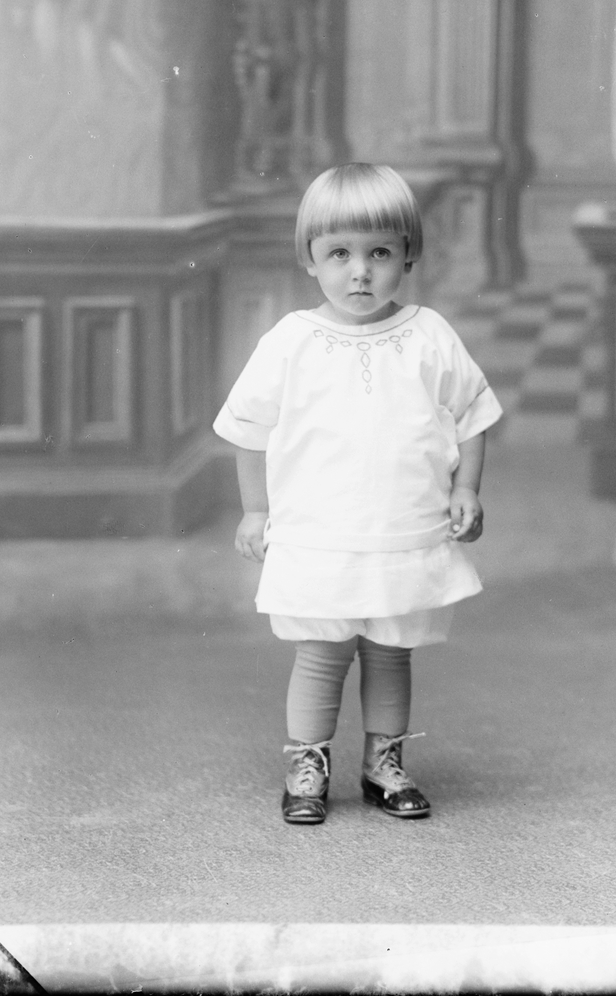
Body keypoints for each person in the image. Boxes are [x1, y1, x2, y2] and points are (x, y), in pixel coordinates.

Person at [213, 163, 502, 824]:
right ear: (309, 259)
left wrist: (466, 486)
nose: (360, 272)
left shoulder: (429, 334)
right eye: (339, 254)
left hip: (402, 530)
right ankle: (307, 766)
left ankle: (383, 764)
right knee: (321, 654)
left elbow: (472, 416)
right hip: (322, 534)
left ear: (408, 254)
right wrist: (256, 509)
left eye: (379, 253)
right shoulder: (292, 340)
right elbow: (248, 430)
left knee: (390, 653)